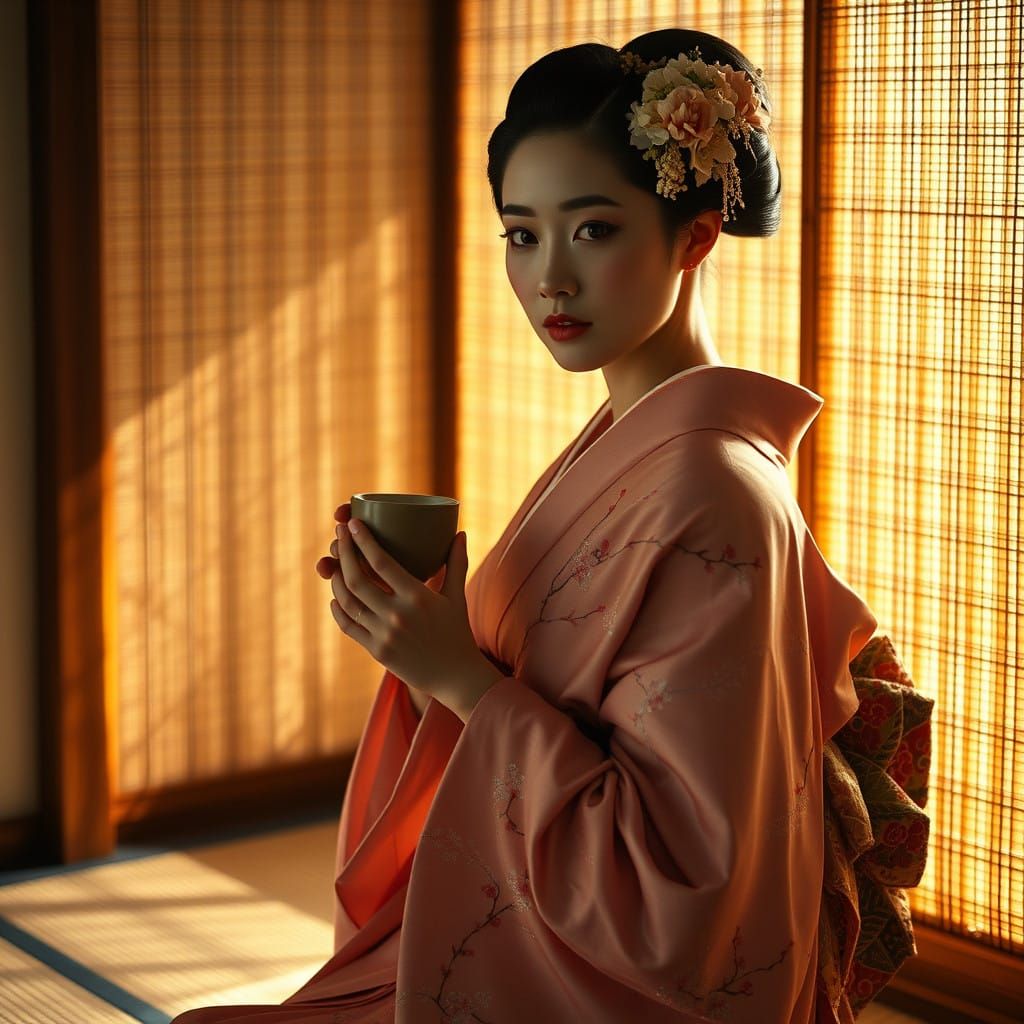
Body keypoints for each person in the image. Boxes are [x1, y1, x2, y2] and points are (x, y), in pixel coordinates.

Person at [171, 28, 894, 1024]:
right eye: (522, 232)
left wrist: (456, 675)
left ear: (692, 239)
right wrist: (425, 632)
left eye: (593, 230)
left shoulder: (713, 490)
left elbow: (682, 890)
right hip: (524, 919)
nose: (549, 276)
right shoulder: (633, 442)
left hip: (603, 977)